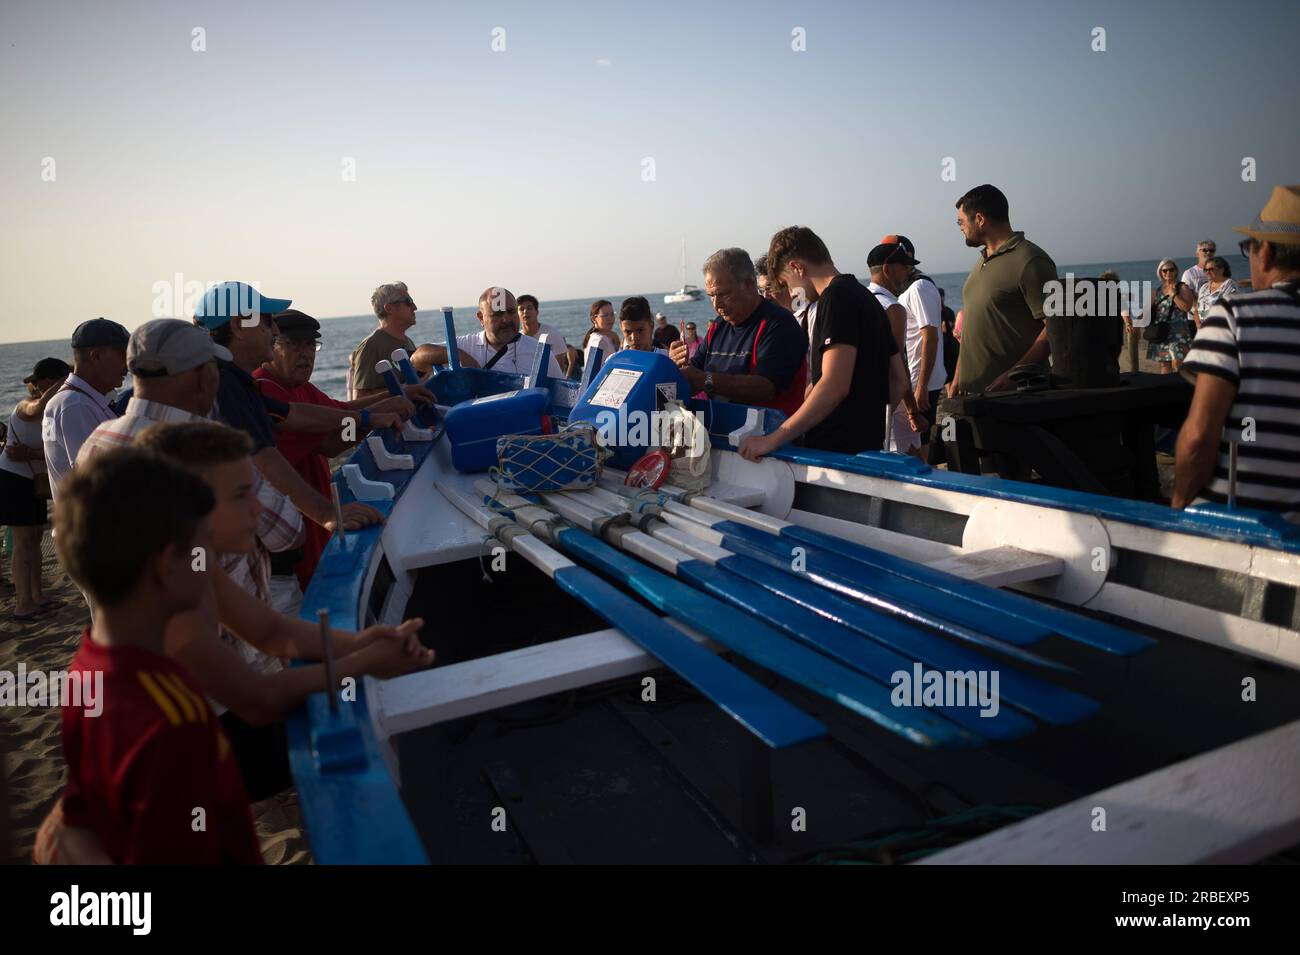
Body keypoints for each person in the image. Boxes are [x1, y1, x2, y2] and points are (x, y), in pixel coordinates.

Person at [132, 421, 433, 800]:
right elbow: (258, 698)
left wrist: (360, 640)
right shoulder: (171, 602)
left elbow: (272, 632)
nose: (258, 508)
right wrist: (366, 662)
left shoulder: (197, 561)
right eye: (242, 495)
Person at [55, 448, 264, 863]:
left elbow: (80, 817)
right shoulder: (174, 719)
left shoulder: (85, 673)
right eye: (204, 551)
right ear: (168, 564)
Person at [193, 282, 385, 540]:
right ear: (239, 325)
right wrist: (327, 513)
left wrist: (369, 415)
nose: (273, 329)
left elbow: (291, 414)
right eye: (267, 320)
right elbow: (265, 456)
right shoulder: (219, 382)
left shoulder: (237, 381)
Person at [254, 310, 413, 593]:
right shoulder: (265, 391)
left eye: (310, 346)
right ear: (272, 344)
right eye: (294, 345)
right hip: (287, 550)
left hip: (312, 532)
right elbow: (330, 444)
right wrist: (374, 419)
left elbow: (342, 410)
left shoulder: (299, 387)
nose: (305, 354)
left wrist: (398, 394)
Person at [1174, 184, 1300, 521]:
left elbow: (1200, 437)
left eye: (1249, 248)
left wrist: (1177, 507)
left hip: (1242, 528)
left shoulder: (1236, 316)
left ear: (1267, 252)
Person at [740, 228, 917, 459]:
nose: (793, 294)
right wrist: (869, 424)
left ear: (797, 267)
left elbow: (834, 385)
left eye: (788, 283)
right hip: (868, 446)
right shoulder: (866, 297)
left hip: (835, 449)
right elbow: (899, 378)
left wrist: (772, 439)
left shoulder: (835, 298)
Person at [667, 248, 807, 417]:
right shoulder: (718, 327)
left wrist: (705, 379)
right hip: (720, 430)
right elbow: (692, 380)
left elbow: (765, 388)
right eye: (711, 296)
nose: (716, 304)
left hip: (770, 435)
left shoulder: (778, 324)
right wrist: (675, 365)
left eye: (723, 294)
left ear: (749, 284)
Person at [950, 184, 1059, 395]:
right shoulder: (982, 260)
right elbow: (973, 327)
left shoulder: (1030, 260)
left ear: (980, 219)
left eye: (961, 221)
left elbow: (1056, 328)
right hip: (974, 395)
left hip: (1014, 398)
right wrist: (957, 378)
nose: (960, 227)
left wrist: (1014, 375)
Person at [1, 358, 69, 621]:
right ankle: (23, 604)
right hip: (13, 478)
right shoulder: (26, 405)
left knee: (35, 541)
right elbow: (37, 406)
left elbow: (50, 448)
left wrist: (29, 452)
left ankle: (37, 596)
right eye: (62, 380)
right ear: (46, 383)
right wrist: (69, 380)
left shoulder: (53, 412)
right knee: (23, 542)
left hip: (31, 479)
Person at [42, 318, 129, 500]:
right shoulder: (76, 405)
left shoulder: (75, 400)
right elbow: (96, 479)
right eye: (123, 354)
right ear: (95, 356)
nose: (128, 364)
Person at [883, 235, 945, 454]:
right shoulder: (908, 288)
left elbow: (930, 335)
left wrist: (921, 387)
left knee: (917, 445)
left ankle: (923, 486)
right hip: (913, 378)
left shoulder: (919, 287)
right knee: (913, 441)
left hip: (920, 380)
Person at [866, 241, 924, 456]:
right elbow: (899, 361)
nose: (908, 273)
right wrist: (913, 411)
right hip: (893, 400)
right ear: (887, 269)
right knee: (912, 463)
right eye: (904, 267)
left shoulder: (861, 301)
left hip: (866, 398)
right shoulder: (893, 308)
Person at [350, 282, 420, 400]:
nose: (415, 307)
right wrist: (403, 390)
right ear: (389, 308)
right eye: (408, 302)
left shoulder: (408, 342)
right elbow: (359, 398)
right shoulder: (371, 345)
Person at [1147, 259, 1197, 373]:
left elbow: (1187, 307)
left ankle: (1180, 389)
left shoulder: (1182, 287)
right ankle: (1166, 390)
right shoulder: (1157, 291)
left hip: (1179, 333)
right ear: (1160, 273)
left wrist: (1174, 295)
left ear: (1176, 271)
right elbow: (1146, 313)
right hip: (1162, 333)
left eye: (1171, 269)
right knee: (1164, 366)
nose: (1168, 272)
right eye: (1165, 270)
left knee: (1179, 364)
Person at [517, 294, 571, 376]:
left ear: (537, 312)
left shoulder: (552, 334)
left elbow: (560, 367)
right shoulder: (517, 339)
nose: (525, 311)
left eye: (529, 308)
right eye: (521, 309)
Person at [1198, 256, 1239, 323]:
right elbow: (1198, 308)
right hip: (1205, 329)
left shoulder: (1229, 285)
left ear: (1222, 269)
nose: (1207, 272)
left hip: (1223, 328)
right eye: (1205, 270)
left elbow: (1231, 310)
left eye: (1211, 269)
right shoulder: (1204, 288)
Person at [1181, 240, 1217, 308]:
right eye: (1205, 250)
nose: (1208, 252)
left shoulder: (1219, 272)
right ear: (1197, 254)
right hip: (1196, 315)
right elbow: (1188, 298)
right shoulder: (1189, 274)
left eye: (1211, 250)